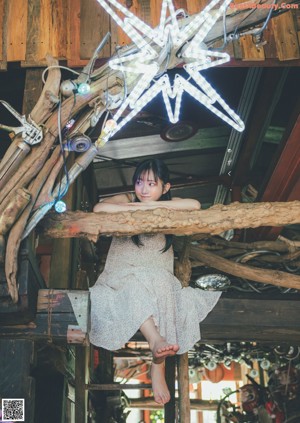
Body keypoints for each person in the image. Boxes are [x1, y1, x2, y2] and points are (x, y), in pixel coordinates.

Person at [90, 158, 221, 404]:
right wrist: (143, 208)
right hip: (122, 273)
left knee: (164, 286)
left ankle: (158, 363)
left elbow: (194, 205)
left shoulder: (170, 204)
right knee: (134, 286)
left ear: (166, 187)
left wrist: (154, 208)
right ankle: (156, 345)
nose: (144, 189)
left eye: (152, 183)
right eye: (140, 182)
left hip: (158, 273)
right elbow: (99, 208)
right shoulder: (129, 199)